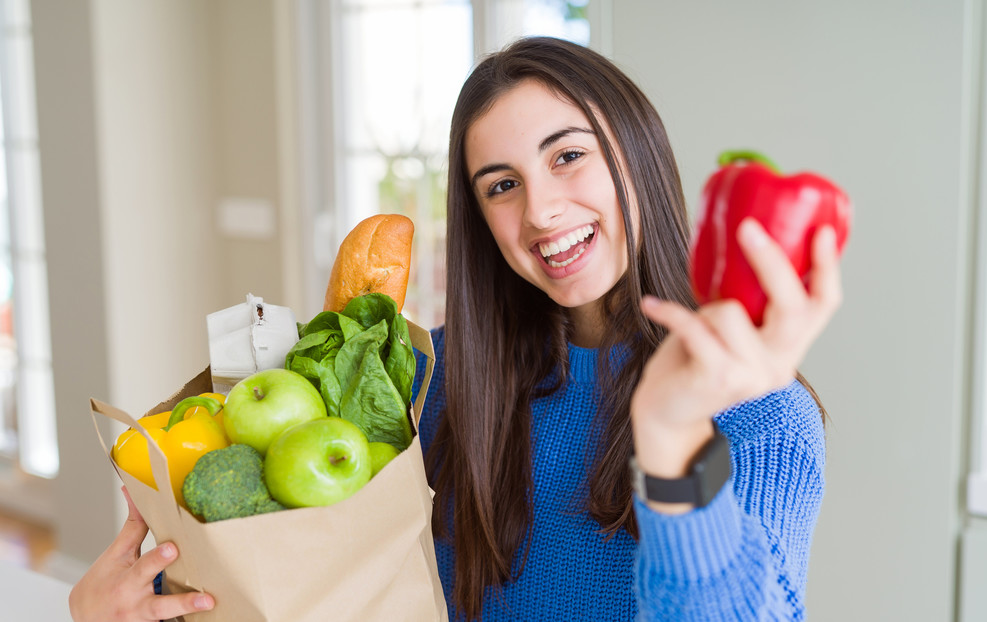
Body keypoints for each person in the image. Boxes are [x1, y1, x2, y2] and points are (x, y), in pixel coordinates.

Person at [70, 36, 841, 621]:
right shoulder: (429, 381)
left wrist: (672, 439)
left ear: (637, 154)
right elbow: (304, 573)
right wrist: (142, 604)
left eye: (568, 156)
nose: (539, 211)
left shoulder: (762, 413)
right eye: (502, 186)